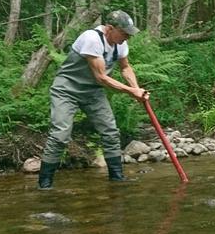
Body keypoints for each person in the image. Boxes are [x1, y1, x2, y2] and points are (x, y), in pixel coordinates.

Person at [38, 11, 148, 189]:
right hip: (67, 89)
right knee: (60, 135)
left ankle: (117, 179)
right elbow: (101, 77)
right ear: (110, 29)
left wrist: (136, 89)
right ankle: (44, 184)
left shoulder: (120, 44)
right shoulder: (92, 39)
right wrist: (130, 91)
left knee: (111, 132)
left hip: (92, 92)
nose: (127, 37)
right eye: (124, 33)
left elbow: (125, 68)